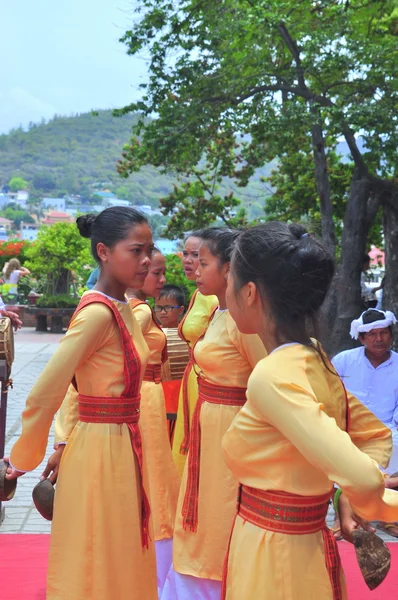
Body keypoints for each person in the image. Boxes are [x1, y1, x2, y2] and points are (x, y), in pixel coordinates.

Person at [221, 222, 398, 600]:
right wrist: (345, 494)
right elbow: (373, 437)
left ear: (249, 293)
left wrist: (363, 494)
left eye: (229, 280)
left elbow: (365, 478)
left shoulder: (272, 376)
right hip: (301, 544)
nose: (226, 292)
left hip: (275, 554)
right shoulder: (314, 355)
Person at [4, 207, 158, 600]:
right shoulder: (96, 314)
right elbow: (47, 391)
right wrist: (22, 458)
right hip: (100, 451)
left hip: (121, 442)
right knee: (98, 552)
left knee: (119, 549)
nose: (145, 260)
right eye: (136, 250)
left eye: (149, 251)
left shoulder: (123, 306)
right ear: (104, 251)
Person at [162, 228, 266, 600]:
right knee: (201, 514)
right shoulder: (221, 313)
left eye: (204, 262)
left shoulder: (243, 321)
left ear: (229, 269)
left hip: (231, 432)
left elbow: (270, 378)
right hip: (208, 426)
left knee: (218, 515)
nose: (195, 268)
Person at [127, 249, 180, 597]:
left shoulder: (133, 307)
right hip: (143, 403)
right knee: (154, 485)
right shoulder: (141, 310)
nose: (161, 281)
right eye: (156, 273)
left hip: (149, 400)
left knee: (153, 483)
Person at [332, 308, 398, 537]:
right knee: (339, 449)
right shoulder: (344, 361)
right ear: (361, 338)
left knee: (392, 444)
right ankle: (344, 519)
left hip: (388, 428)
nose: (379, 339)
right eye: (372, 334)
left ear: (391, 334)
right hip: (347, 427)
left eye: (383, 333)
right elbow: (330, 394)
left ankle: (387, 515)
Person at [171, 231, 218, 477]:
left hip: (207, 381)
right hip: (192, 379)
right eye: (185, 254)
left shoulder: (216, 299)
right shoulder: (198, 293)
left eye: (197, 255)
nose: (188, 261)